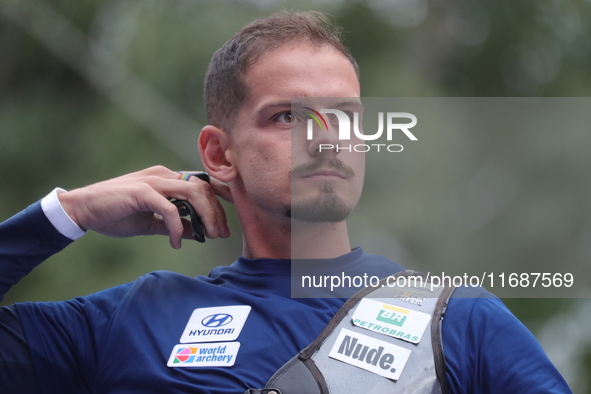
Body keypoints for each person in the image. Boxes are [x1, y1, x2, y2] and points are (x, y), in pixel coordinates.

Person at [0, 10, 571, 394]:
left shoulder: (459, 322)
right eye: (288, 117)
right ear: (219, 154)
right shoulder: (133, 321)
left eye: (345, 116)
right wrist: (65, 214)